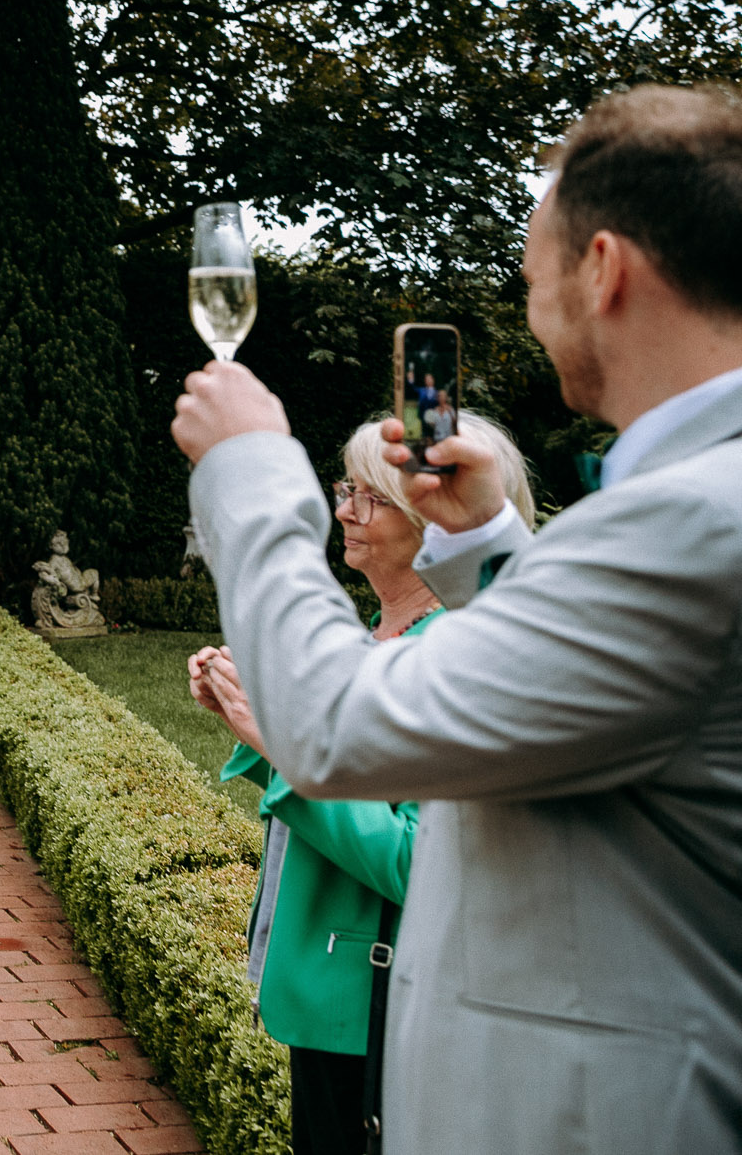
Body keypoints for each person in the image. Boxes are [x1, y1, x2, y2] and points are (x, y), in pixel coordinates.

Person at [171, 83, 742, 1153]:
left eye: (532, 277)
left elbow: (339, 727)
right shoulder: (693, 503)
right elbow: (599, 692)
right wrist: (485, 542)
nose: (532, 310)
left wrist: (248, 468)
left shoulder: (683, 523)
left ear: (603, 270)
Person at [185, 413, 533, 1155]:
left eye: (366, 495)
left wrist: (281, 744)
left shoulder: (443, 652)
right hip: (328, 995)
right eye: (344, 487)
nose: (342, 508)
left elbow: (416, 860)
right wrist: (253, 718)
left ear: (431, 515)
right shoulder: (372, 633)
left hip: (372, 1006)